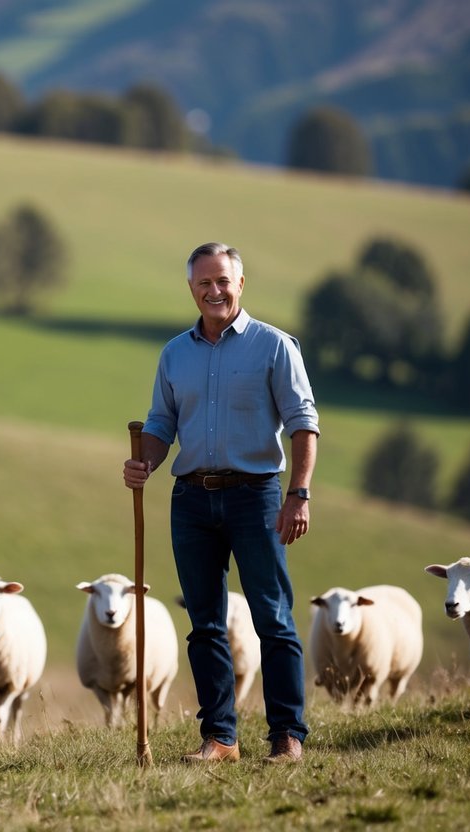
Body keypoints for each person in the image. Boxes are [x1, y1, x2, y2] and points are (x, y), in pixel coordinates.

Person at [122, 242, 318, 764]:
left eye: (223, 281)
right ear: (191, 288)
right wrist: (144, 461)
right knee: (204, 623)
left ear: (241, 284)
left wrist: (298, 494)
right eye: (204, 282)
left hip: (256, 497)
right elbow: (162, 424)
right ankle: (221, 739)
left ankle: (286, 737)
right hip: (190, 500)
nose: (214, 291)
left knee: (271, 617)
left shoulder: (275, 347)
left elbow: (304, 424)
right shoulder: (174, 354)